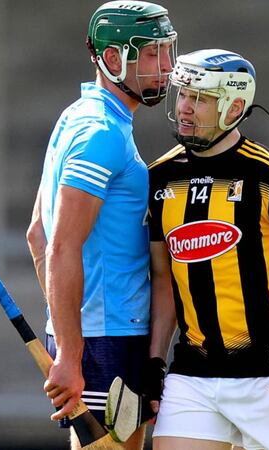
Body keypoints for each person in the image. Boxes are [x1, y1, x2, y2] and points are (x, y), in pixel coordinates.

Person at [146, 48, 269, 450]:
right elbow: (164, 278)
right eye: (182, 95)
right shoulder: (159, 178)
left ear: (234, 107)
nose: (184, 108)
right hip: (194, 376)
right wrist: (155, 362)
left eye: (199, 99)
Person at [25, 2, 176, 449]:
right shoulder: (102, 135)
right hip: (111, 336)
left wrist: (64, 328)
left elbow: (38, 234)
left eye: (168, 52)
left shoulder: (77, 117)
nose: (167, 68)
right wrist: (72, 353)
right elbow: (61, 247)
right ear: (113, 60)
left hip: (91, 333)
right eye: (152, 54)